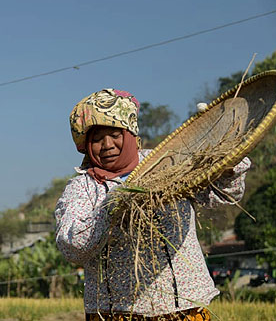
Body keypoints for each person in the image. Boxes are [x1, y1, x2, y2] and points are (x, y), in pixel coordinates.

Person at [54, 89, 250, 320]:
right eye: (96, 139)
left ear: (130, 133)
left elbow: (224, 195)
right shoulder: (82, 187)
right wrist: (111, 208)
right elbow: (72, 247)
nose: (106, 145)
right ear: (86, 145)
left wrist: (224, 155)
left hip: (185, 307)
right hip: (117, 312)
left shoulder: (168, 162)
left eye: (115, 134)